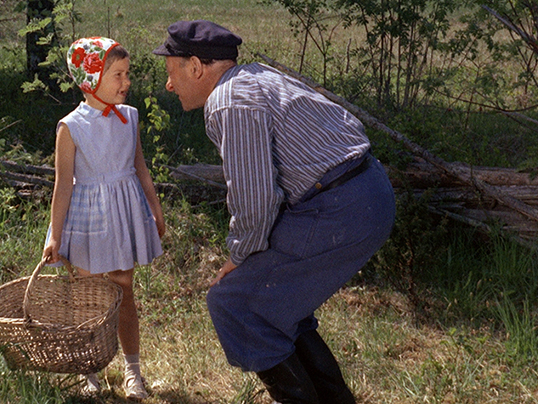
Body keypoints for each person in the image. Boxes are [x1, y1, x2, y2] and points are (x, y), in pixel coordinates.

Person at [153, 20, 396, 403]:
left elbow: (256, 199)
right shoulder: (255, 76)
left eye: (172, 73)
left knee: (234, 302)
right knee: (279, 304)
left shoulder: (228, 100)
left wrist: (240, 255)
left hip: (339, 207)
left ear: (196, 67)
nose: (169, 85)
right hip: (366, 191)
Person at [43, 36, 166, 399]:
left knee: (124, 290)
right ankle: (90, 368)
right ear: (91, 78)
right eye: (118, 74)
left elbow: (140, 168)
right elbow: (63, 185)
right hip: (88, 216)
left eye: (127, 74)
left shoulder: (130, 117)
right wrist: (55, 235)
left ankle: (133, 370)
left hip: (124, 210)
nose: (126, 82)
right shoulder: (71, 127)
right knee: (89, 296)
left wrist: (154, 208)